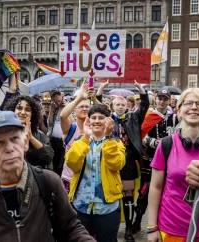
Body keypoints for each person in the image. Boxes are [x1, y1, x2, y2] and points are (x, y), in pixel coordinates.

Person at [0, 110, 95, 242]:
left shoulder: (48, 182)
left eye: (14, 139)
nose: (10, 148)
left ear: (25, 142)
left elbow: (71, 228)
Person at [147, 88, 199, 242]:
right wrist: (152, 227)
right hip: (172, 229)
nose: (194, 107)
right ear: (179, 110)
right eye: (188, 103)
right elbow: (155, 187)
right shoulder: (166, 144)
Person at [65, 104, 125, 242]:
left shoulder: (115, 142)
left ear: (108, 121)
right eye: (93, 118)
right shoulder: (80, 142)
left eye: (101, 118)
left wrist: (109, 138)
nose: (97, 121)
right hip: (81, 206)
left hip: (107, 208)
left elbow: (117, 164)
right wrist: (85, 137)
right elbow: (72, 164)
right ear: (89, 121)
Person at [133, 89, 180, 233]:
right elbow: (141, 136)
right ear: (156, 99)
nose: (161, 102)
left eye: (164, 99)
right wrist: (156, 143)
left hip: (168, 159)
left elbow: (179, 133)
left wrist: (167, 142)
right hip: (150, 158)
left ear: (169, 100)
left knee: (166, 190)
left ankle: (163, 221)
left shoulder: (175, 118)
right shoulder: (149, 115)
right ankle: (138, 220)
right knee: (145, 190)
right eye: (159, 98)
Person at [111, 81, 149, 242]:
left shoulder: (133, 118)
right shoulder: (107, 119)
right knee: (111, 197)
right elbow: (96, 102)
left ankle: (128, 229)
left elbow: (145, 106)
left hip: (128, 164)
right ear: (112, 107)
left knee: (127, 198)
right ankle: (111, 228)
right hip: (111, 163)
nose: (120, 107)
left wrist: (140, 89)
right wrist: (101, 88)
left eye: (123, 104)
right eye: (117, 104)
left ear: (127, 106)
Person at [59, 84, 94, 192]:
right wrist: (80, 98)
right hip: (69, 180)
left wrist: (95, 99)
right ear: (74, 110)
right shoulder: (71, 128)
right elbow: (63, 116)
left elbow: (107, 115)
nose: (84, 109)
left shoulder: (95, 129)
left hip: (90, 180)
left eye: (87, 107)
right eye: (81, 107)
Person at [4, 95, 54, 169]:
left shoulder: (39, 135)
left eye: (27, 109)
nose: (23, 112)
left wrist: (31, 138)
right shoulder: (4, 134)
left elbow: (48, 157)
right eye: (19, 108)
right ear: (12, 111)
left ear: (32, 114)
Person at [48, 91, 67, 176]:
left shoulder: (67, 108)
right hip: (53, 141)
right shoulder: (54, 110)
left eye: (59, 101)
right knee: (54, 162)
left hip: (63, 141)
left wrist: (65, 107)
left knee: (62, 163)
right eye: (55, 101)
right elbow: (50, 123)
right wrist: (51, 110)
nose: (57, 103)